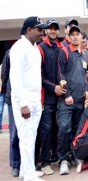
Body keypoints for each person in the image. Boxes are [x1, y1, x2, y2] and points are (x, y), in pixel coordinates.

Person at [10, 16, 49, 181]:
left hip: (34, 98)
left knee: (31, 137)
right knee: (26, 137)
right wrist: (22, 104)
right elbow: (15, 78)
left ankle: (27, 170)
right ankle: (30, 176)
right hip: (24, 99)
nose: (43, 32)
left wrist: (38, 100)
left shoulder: (34, 48)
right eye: (39, 29)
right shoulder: (18, 48)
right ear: (29, 30)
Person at [57, 25, 88, 175]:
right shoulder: (64, 52)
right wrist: (67, 95)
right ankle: (63, 159)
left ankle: (76, 155)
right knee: (65, 128)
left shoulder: (87, 55)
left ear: (82, 38)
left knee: (79, 130)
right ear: (69, 37)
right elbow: (60, 75)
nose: (76, 37)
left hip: (81, 100)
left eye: (78, 34)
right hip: (67, 100)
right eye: (73, 34)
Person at [37, 18, 65, 175]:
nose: (53, 31)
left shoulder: (61, 47)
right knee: (46, 130)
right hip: (46, 97)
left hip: (60, 97)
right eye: (50, 28)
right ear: (46, 31)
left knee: (57, 128)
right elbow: (38, 76)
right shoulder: (40, 48)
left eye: (56, 28)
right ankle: (44, 161)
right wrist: (53, 87)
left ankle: (55, 156)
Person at [1, 49, 21, 177]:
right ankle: (15, 164)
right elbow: (5, 76)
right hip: (13, 99)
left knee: (29, 134)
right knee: (14, 134)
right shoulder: (11, 53)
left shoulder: (34, 51)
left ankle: (29, 163)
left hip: (29, 99)